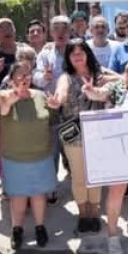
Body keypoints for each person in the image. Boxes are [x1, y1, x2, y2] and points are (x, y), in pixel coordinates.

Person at [81, 57, 128, 254]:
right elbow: (99, 94)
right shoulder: (115, 88)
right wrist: (90, 91)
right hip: (115, 148)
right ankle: (113, 236)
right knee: (116, 192)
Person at [46, 39, 105, 234]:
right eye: (73, 53)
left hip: (98, 134)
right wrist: (57, 102)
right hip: (74, 135)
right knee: (79, 176)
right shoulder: (66, 77)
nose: (78, 55)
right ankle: (83, 215)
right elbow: (61, 93)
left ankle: (95, 213)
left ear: (88, 53)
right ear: (68, 58)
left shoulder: (99, 74)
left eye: (81, 51)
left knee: (95, 176)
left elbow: (122, 79)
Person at [0, 61, 56, 250]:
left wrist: (54, 106)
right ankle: (17, 230)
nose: (24, 79)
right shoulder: (3, 96)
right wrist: (14, 96)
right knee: (18, 198)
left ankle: (40, 227)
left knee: (39, 195)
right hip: (15, 158)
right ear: (11, 79)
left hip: (41, 155)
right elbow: (4, 109)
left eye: (27, 75)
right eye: (19, 76)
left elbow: (49, 119)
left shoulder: (40, 95)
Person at [34, 15, 71, 93]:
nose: (60, 32)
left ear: (70, 31)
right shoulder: (45, 54)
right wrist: (44, 77)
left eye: (64, 28)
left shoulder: (79, 51)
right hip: (52, 101)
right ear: (51, 32)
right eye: (56, 28)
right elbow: (35, 77)